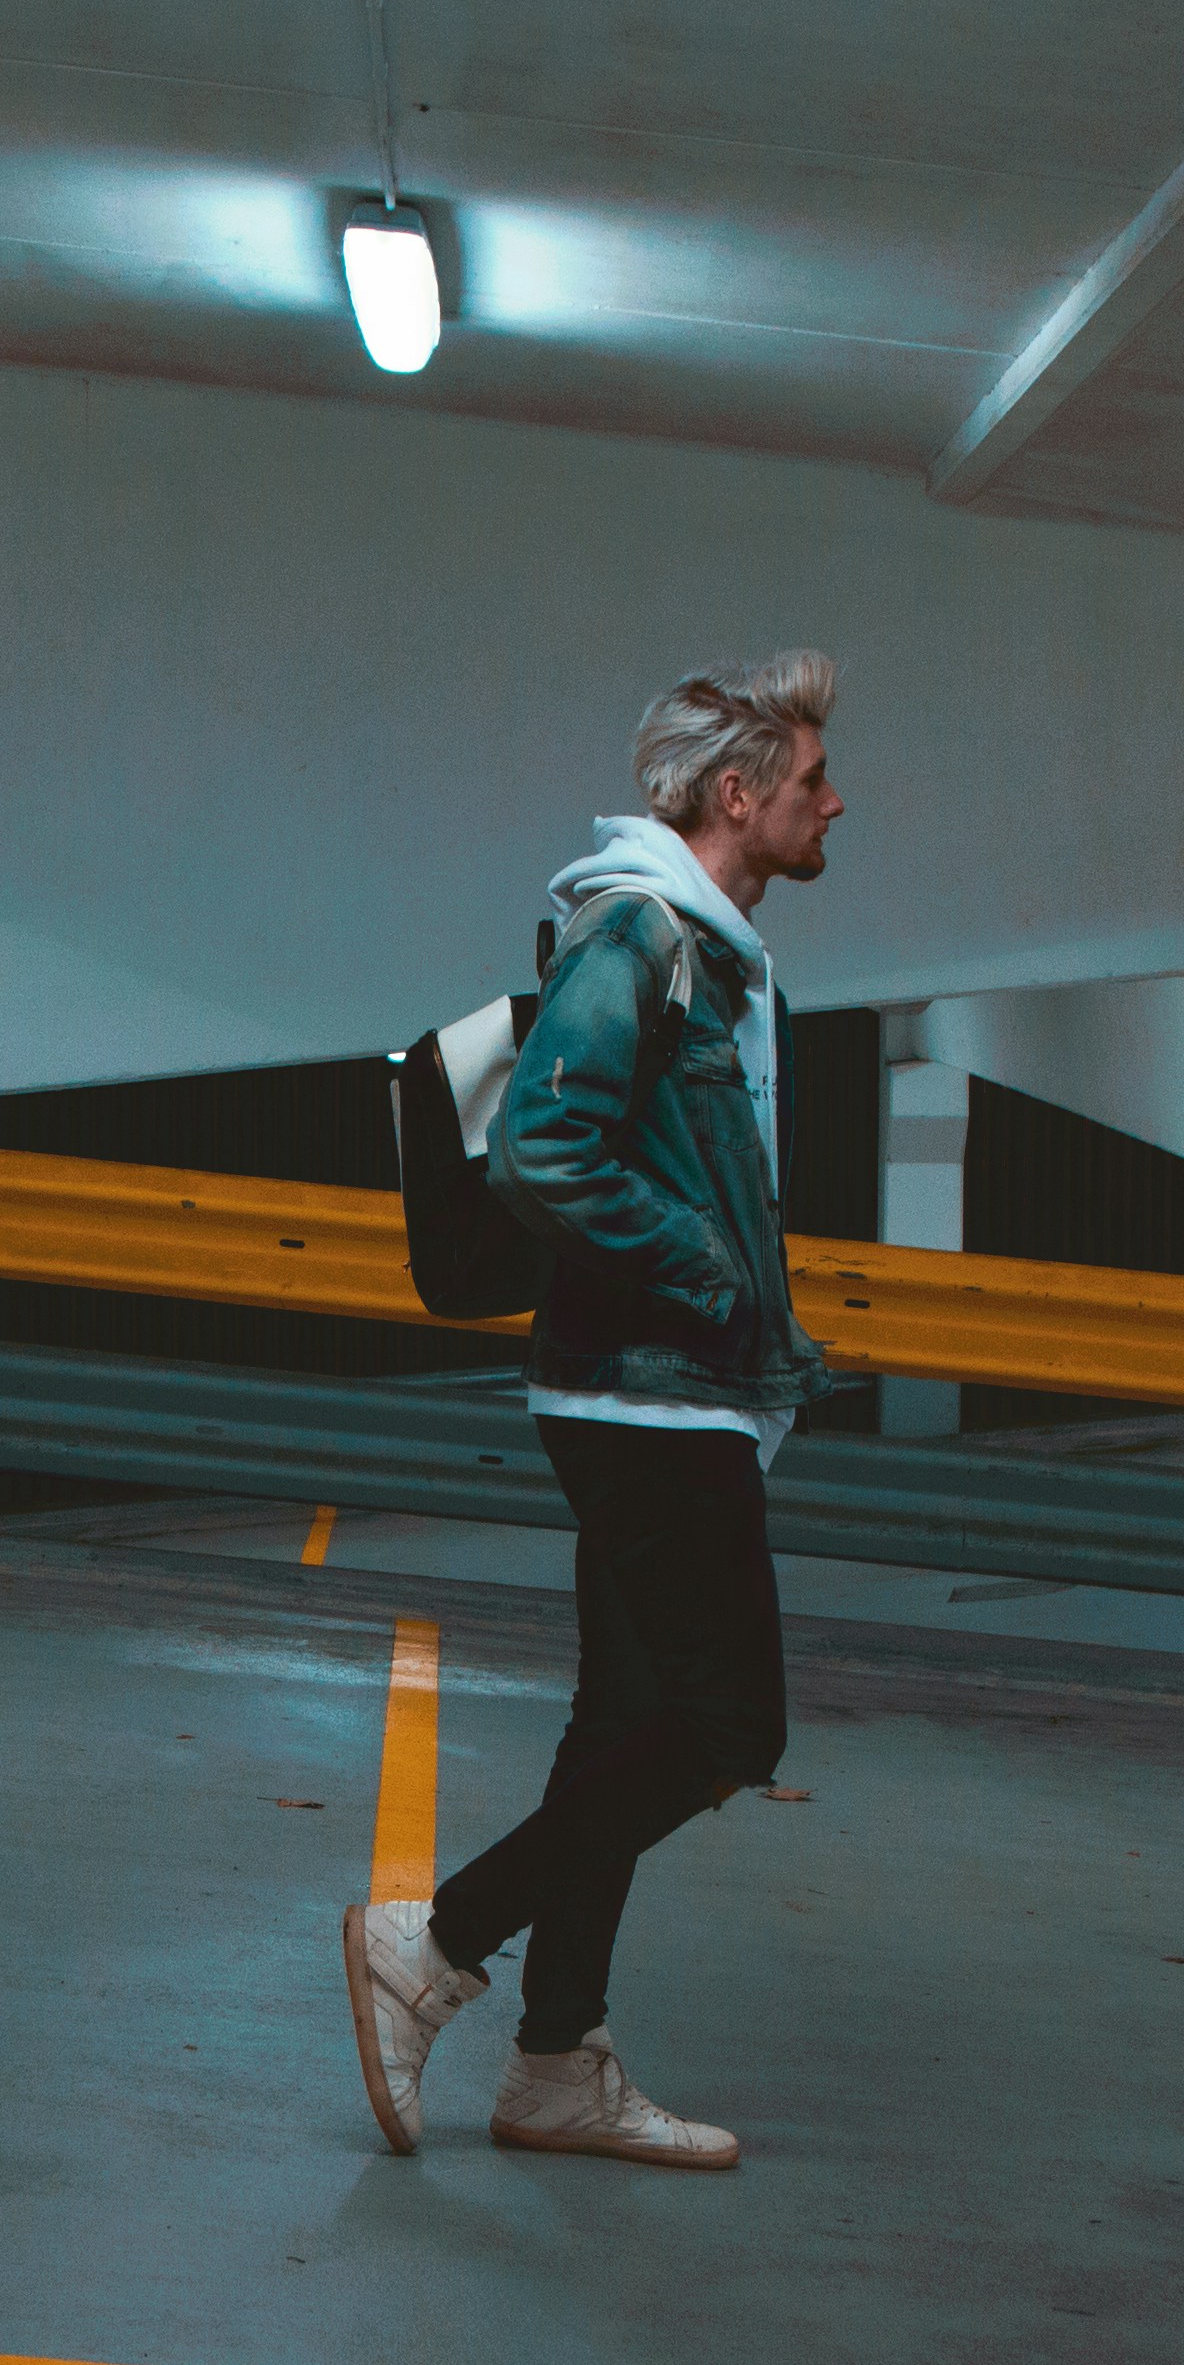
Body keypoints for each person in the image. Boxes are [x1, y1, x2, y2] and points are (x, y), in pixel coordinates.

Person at [343, 650, 845, 2170]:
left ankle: (556, 2060)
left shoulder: (705, 945)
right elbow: (547, 1150)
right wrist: (706, 1275)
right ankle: (435, 1945)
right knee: (727, 1724)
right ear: (738, 795)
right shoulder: (638, 935)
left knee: (626, 1719)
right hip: (648, 1401)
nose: (839, 800)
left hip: (661, 1391)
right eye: (815, 778)